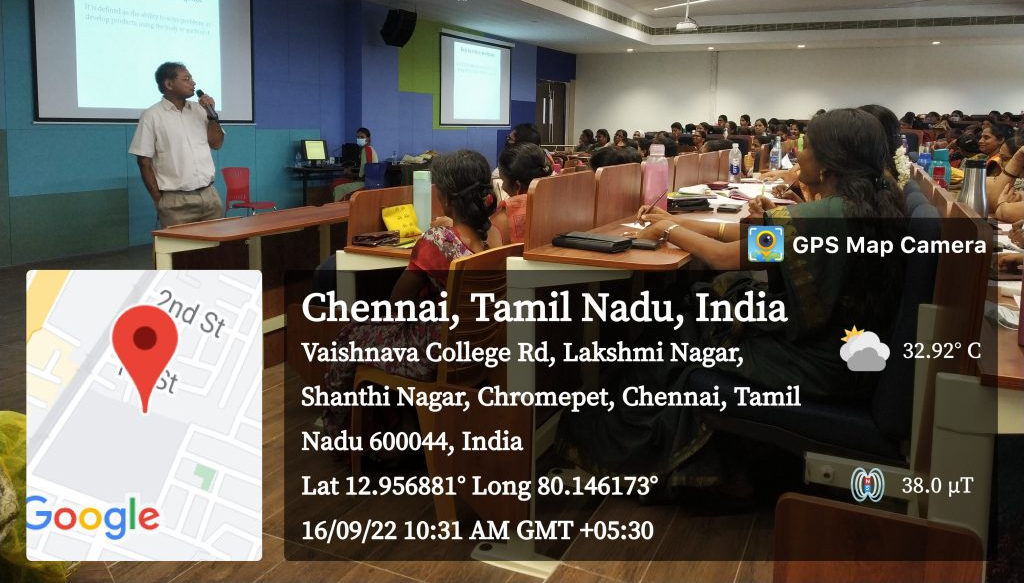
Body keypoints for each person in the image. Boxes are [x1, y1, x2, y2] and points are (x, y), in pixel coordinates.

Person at [556, 109, 905, 491]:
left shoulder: (820, 219)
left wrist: (667, 228)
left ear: (828, 163)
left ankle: (621, 455)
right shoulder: (868, 206)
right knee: (693, 311)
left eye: (807, 147)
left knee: (674, 337)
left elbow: (723, 257)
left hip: (814, 363)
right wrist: (673, 221)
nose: (798, 154)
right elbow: (741, 242)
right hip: (846, 359)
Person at [322, 149, 502, 439]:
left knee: (349, 340)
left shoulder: (437, 239)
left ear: (446, 197)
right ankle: (401, 424)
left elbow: (398, 301)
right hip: (476, 350)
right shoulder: (494, 236)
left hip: (434, 353)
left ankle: (346, 432)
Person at [129, 62, 225, 228]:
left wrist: (212, 116)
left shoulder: (200, 110)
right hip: (175, 202)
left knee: (216, 244)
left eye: (191, 78)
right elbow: (144, 162)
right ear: (169, 84)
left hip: (209, 196)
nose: (193, 83)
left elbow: (216, 144)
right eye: (186, 79)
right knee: (180, 246)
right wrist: (159, 200)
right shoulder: (152, 115)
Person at [491, 143, 551, 243]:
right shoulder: (561, 201)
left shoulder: (503, 219)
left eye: (503, 181)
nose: (502, 186)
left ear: (517, 186)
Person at [333, 127, 379, 201]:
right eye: (358, 137)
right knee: (340, 181)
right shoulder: (371, 149)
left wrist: (349, 173)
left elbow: (362, 175)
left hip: (367, 183)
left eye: (362, 137)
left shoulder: (366, 150)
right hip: (372, 182)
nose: (359, 139)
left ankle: (338, 207)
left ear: (368, 138)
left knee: (338, 188)